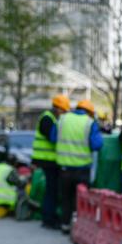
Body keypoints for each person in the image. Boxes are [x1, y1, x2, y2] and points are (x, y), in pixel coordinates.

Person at [56, 100, 103, 233]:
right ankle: (77, 226)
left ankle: (64, 224)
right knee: (80, 199)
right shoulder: (89, 122)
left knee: (65, 197)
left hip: (64, 168)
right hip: (82, 169)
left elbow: (53, 137)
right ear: (89, 112)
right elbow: (97, 145)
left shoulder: (62, 119)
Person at [32, 94, 70, 229]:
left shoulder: (51, 118)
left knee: (52, 189)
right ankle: (48, 219)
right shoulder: (47, 118)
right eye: (63, 111)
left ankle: (50, 217)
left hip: (50, 160)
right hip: (47, 160)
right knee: (51, 189)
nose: (64, 114)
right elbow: (53, 137)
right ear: (58, 108)